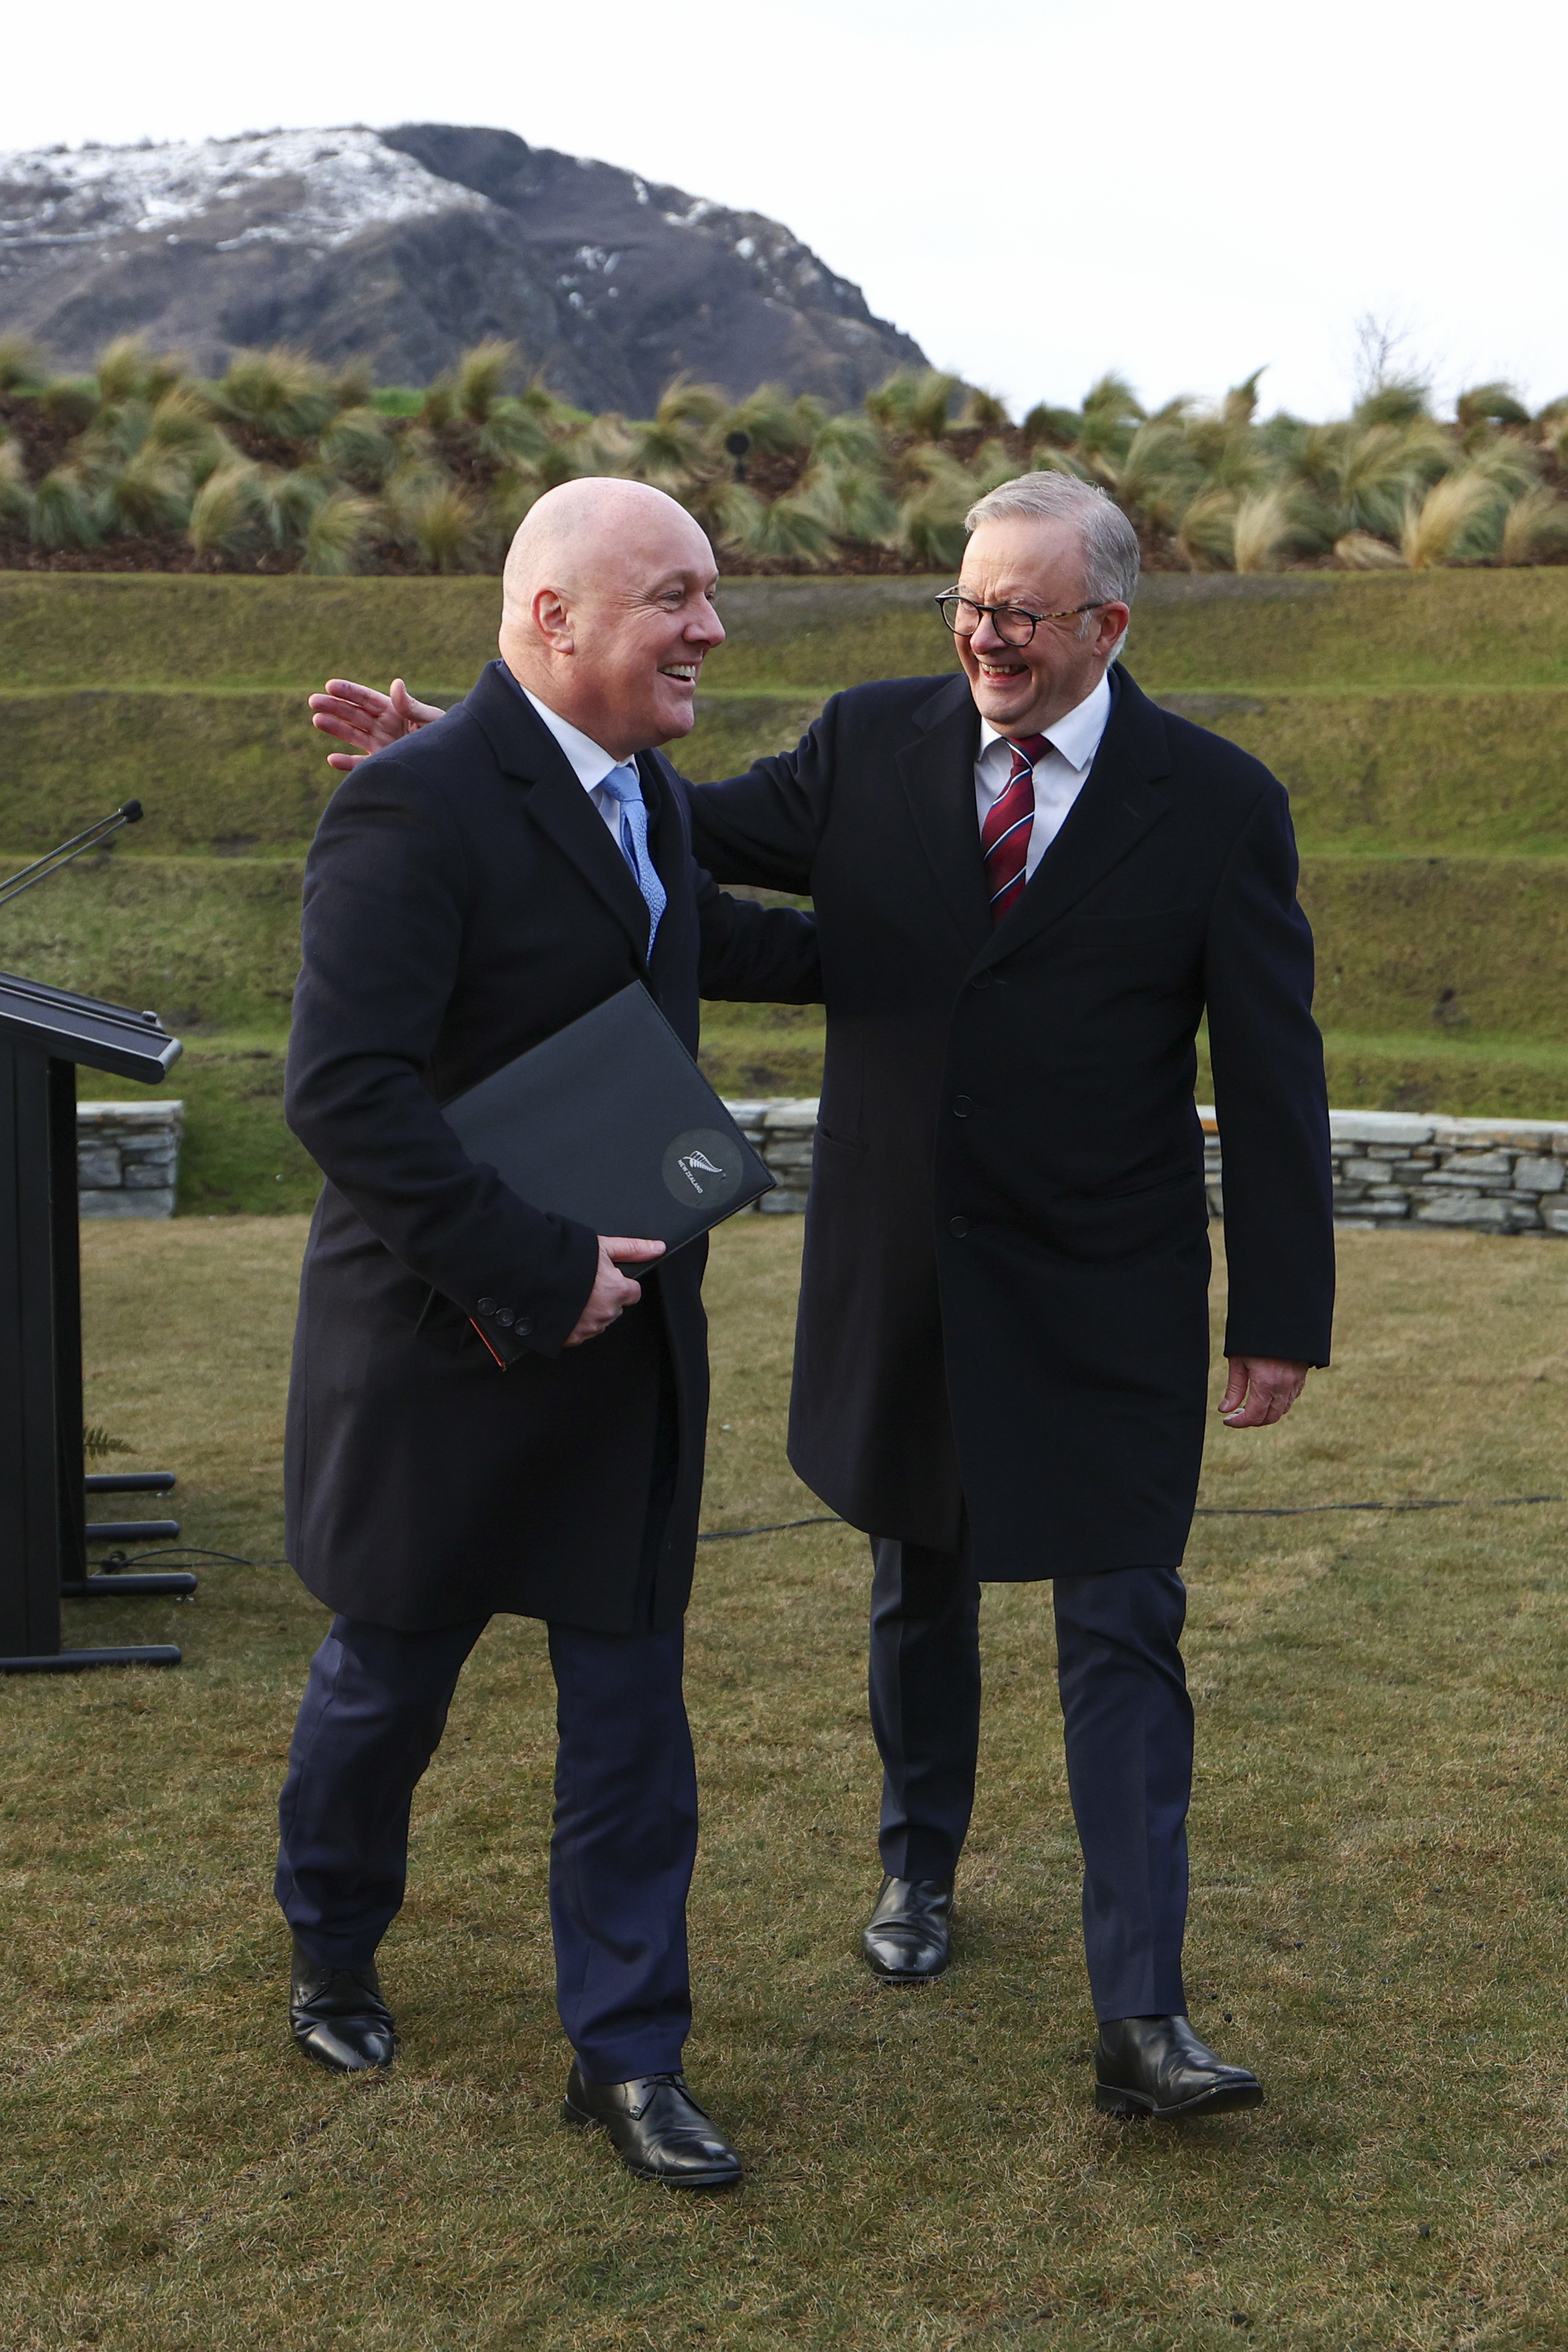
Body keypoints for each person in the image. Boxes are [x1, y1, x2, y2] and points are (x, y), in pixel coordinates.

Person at [312, 470, 1335, 2124]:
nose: (984, 638)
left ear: (1109, 627)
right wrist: (464, 754)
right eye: (967, 604)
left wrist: (1283, 1306)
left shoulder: (1217, 801)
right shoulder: (871, 742)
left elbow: (1275, 1070)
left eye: (1020, 613)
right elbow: (653, 824)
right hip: (906, 1273)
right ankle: (916, 1875)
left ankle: (1143, 2016)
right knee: (915, 1587)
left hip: (1106, 1290)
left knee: (1125, 1628)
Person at [277, 477, 819, 2188]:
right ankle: (331, 1940)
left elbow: (694, 936)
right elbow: (344, 1096)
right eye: (676, 596)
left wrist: (952, 943)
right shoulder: (409, 810)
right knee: (385, 1688)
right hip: (450, 1350)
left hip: (625, 1356)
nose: (713, 629)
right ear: (555, 619)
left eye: (710, 594)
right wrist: (537, 1263)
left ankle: (628, 2053)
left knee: (632, 1717)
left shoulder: (645, 789)